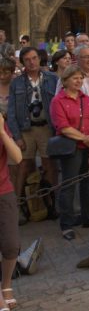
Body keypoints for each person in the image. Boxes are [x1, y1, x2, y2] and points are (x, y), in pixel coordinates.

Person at [50, 65, 89, 240]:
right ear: (65, 81)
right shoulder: (58, 101)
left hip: (88, 146)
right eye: (75, 78)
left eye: (81, 78)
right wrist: (85, 138)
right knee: (69, 185)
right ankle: (66, 224)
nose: (79, 81)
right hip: (71, 148)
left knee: (88, 184)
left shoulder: (86, 99)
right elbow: (63, 127)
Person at [7, 46, 59, 219]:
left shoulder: (52, 78)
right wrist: (17, 136)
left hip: (46, 127)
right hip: (26, 129)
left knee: (49, 165)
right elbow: (12, 112)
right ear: (23, 62)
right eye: (27, 59)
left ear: (39, 58)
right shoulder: (17, 83)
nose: (32, 62)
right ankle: (19, 205)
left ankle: (52, 204)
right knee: (22, 166)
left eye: (34, 58)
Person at [0, 110, 22, 311]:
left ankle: (6, 285)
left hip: (3, 191)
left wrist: (1, 131)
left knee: (11, 245)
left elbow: (16, 157)